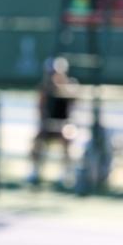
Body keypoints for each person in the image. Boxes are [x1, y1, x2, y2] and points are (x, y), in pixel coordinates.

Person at [27, 56, 78, 186]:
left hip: (64, 127)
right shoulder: (44, 89)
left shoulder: (70, 86)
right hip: (48, 127)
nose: (53, 76)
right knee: (38, 140)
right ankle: (34, 171)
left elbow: (73, 104)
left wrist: (61, 87)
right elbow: (41, 111)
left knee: (67, 136)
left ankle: (66, 173)